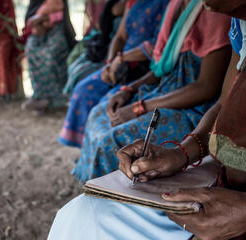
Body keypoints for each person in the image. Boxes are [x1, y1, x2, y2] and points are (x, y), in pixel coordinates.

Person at [47, 3, 246, 240]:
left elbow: (206, 87)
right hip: (224, 179)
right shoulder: (239, 22)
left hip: (236, 204)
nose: (204, 5)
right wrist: (180, 154)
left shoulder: (220, 16)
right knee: (79, 215)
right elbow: (224, 105)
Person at [73, 0, 232, 182]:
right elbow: (159, 68)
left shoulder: (217, 13)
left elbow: (206, 87)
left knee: (112, 140)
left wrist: (140, 107)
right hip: (160, 91)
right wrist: (129, 89)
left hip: (190, 107)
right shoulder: (175, 5)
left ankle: (117, 196)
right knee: (97, 113)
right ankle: (93, 188)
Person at [58, 0, 170, 148]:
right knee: (83, 90)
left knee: (107, 108)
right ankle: (85, 149)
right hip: (120, 61)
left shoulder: (169, 4)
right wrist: (110, 64)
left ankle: (95, 151)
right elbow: (120, 37)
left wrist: (122, 58)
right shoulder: (134, 2)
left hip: (147, 67)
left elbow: (157, 47)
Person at [21, 0, 76, 112]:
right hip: (38, 32)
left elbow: (61, 16)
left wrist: (44, 19)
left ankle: (58, 100)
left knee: (50, 54)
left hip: (57, 30)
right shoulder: (35, 2)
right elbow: (29, 19)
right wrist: (38, 21)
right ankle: (40, 96)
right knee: (31, 49)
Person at [63, 0, 126, 96]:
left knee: (83, 77)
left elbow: (120, 39)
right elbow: (117, 37)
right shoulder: (113, 4)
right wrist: (109, 62)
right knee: (75, 64)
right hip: (106, 47)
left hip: (123, 53)